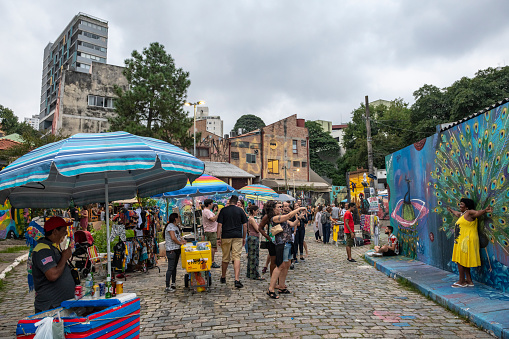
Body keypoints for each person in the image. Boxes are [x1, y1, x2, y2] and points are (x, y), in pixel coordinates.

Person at [31, 216, 75, 313]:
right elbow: (52, 275)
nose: (66, 233)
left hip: (59, 304)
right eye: (63, 230)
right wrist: (64, 257)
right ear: (55, 231)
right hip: (50, 307)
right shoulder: (42, 250)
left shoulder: (52, 247)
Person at [447, 199, 492, 288]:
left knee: (460, 260)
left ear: (467, 207)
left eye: (462, 204)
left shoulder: (470, 212)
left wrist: (484, 211)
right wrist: (451, 210)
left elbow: (477, 213)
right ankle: (469, 280)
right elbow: (456, 213)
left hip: (466, 240)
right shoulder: (462, 215)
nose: (460, 205)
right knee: (464, 260)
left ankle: (461, 281)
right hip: (462, 240)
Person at [266, 202, 307, 299]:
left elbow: (292, 224)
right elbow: (289, 216)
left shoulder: (282, 217)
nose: (280, 208)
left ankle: (281, 286)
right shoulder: (274, 218)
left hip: (288, 243)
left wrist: (299, 218)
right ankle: (271, 289)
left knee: (287, 264)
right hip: (281, 244)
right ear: (273, 209)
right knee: (280, 266)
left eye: (281, 207)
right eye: (278, 207)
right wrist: (299, 208)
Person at [217, 195, 248, 288]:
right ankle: (236, 279)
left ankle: (223, 276)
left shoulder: (223, 210)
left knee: (225, 257)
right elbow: (245, 225)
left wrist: (218, 238)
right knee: (236, 257)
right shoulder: (240, 210)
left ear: (230, 201)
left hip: (226, 236)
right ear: (236, 201)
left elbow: (219, 225)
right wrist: (244, 237)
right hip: (237, 236)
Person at [165, 213, 186, 292]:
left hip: (177, 249)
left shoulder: (176, 227)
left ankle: (173, 283)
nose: (179, 219)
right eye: (179, 217)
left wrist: (182, 241)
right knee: (170, 268)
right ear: (175, 218)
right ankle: (167, 286)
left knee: (174, 267)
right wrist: (180, 243)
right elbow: (173, 238)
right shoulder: (170, 226)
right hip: (171, 250)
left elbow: (177, 237)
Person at [202, 199, 220, 268]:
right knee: (212, 246)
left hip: (210, 230)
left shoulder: (207, 211)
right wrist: (218, 213)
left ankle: (211, 260)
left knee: (212, 246)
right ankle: (212, 261)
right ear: (209, 204)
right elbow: (212, 219)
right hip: (211, 231)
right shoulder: (206, 211)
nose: (212, 205)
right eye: (212, 204)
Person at [246, 205, 264, 280]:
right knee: (254, 256)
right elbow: (257, 229)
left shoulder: (252, 218)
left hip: (252, 237)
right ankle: (254, 273)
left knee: (252, 256)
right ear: (253, 211)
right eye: (257, 211)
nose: (257, 212)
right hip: (253, 238)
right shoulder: (252, 219)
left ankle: (250, 273)